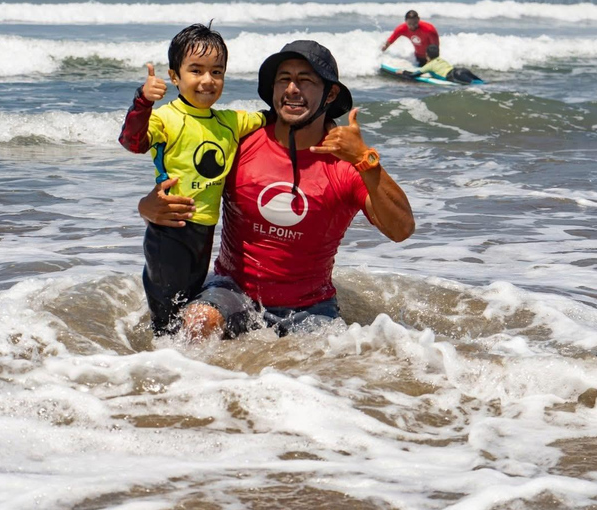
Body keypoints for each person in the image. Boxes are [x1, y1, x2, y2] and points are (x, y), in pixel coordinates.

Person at [137, 40, 415, 340]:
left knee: (337, 365)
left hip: (310, 307)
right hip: (232, 291)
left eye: (305, 80)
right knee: (197, 324)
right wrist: (147, 207)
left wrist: (366, 160)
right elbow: (186, 187)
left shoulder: (347, 163)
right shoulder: (240, 144)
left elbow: (401, 229)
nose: (292, 89)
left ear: (330, 94)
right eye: (284, 79)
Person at [118, 23, 266, 335]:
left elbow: (273, 117)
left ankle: (186, 370)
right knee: (166, 317)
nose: (207, 80)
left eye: (217, 72)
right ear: (174, 76)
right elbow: (132, 142)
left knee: (184, 306)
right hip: (170, 231)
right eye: (196, 70)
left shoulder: (230, 122)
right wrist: (142, 101)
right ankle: (160, 369)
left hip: (205, 231)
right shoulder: (165, 118)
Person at [399, 44, 483, 85]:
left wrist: (403, 72)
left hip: (455, 75)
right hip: (461, 70)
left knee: (475, 85)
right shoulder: (441, 60)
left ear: (427, 55)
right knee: (482, 82)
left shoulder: (429, 65)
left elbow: (414, 74)